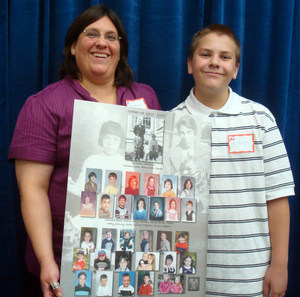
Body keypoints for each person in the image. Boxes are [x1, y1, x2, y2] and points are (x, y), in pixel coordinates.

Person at [8, 4, 161, 295]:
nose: (102, 42)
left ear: (120, 49)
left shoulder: (144, 96)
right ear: (74, 47)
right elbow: (32, 190)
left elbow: (152, 173)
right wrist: (46, 260)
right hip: (67, 255)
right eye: (91, 34)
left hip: (131, 252)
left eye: (111, 37)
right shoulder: (45, 104)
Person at [171, 24, 294, 296]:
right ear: (190, 64)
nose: (215, 62)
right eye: (205, 54)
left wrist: (280, 265)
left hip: (250, 274)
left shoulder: (260, 119)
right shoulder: (170, 125)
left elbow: (277, 198)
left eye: (225, 57)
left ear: (236, 69)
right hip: (186, 274)